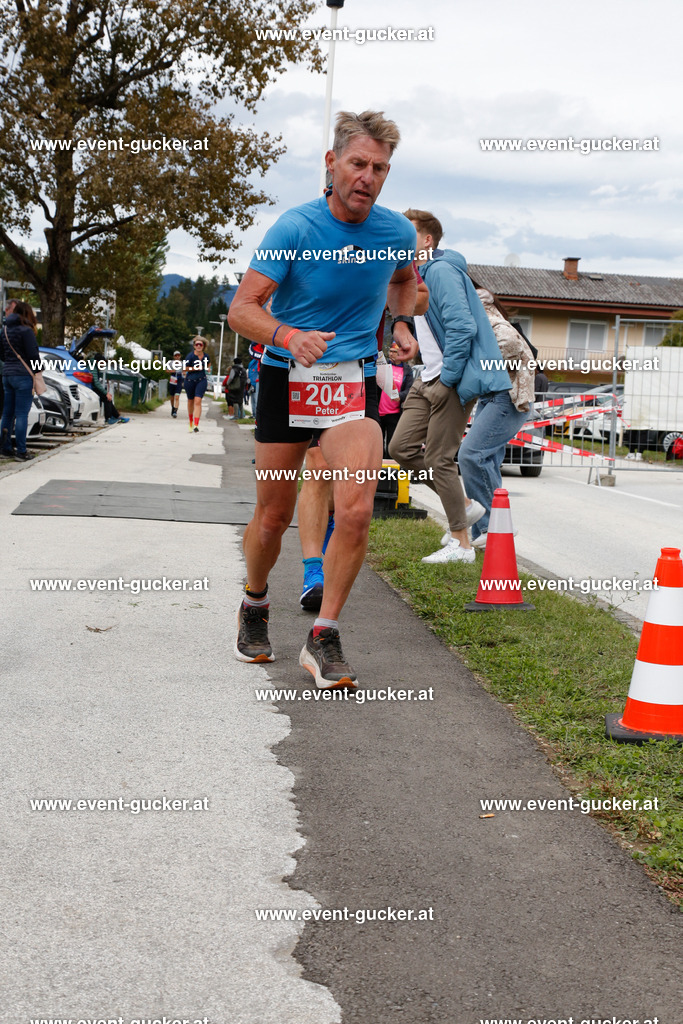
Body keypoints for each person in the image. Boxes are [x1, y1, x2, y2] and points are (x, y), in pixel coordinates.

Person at [228, 109, 418, 688]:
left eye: (379, 168)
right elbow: (242, 310)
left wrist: (401, 324)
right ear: (331, 164)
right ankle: (255, 602)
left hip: (350, 381)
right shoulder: (296, 228)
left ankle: (323, 635)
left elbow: (405, 280)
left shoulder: (396, 232)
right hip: (288, 376)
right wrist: (289, 335)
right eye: (357, 163)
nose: (367, 176)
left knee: (356, 508)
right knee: (273, 517)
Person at [389, 209, 511, 563]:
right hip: (426, 375)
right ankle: (467, 506)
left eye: (407, 232)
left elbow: (462, 328)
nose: (400, 237)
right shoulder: (414, 275)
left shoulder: (441, 270)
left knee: (439, 458)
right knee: (401, 448)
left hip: (450, 379)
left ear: (427, 240)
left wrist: (448, 378)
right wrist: (412, 353)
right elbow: (431, 332)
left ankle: (462, 544)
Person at [457, 286, 535, 549]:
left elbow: (511, 345)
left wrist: (477, 363)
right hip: (494, 396)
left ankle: (494, 528)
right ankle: (490, 533)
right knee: (487, 462)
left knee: (471, 455)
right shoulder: (483, 319)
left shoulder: (489, 320)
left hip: (507, 399)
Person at [1, 299, 41, 460]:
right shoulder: (26, 331)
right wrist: (37, 372)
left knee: (7, 414)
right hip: (23, 376)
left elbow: (1, 353)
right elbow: (33, 355)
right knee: (22, 414)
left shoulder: (3, 330)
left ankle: (5, 448)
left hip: (7, 374)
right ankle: (21, 451)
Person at [183, 336, 210, 432]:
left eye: (200, 344)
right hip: (190, 381)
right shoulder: (190, 356)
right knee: (190, 401)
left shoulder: (206, 356)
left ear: (203, 346)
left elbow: (208, 365)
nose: (198, 346)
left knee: (198, 401)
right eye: (197, 344)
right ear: (194, 346)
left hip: (201, 380)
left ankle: (196, 424)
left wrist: (207, 369)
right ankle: (190, 422)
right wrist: (194, 368)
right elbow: (185, 368)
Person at [167, 349, 184, 417]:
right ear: (174, 357)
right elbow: (167, 370)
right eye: (176, 356)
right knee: (172, 396)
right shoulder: (170, 363)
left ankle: (175, 411)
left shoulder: (183, 363)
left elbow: (185, 370)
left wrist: (184, 373)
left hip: (179, 379)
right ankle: (172, 407)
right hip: (173, 378)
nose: (177, 357)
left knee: (177, 396)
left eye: (178, 356)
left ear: (180, 356)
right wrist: (172, 371)